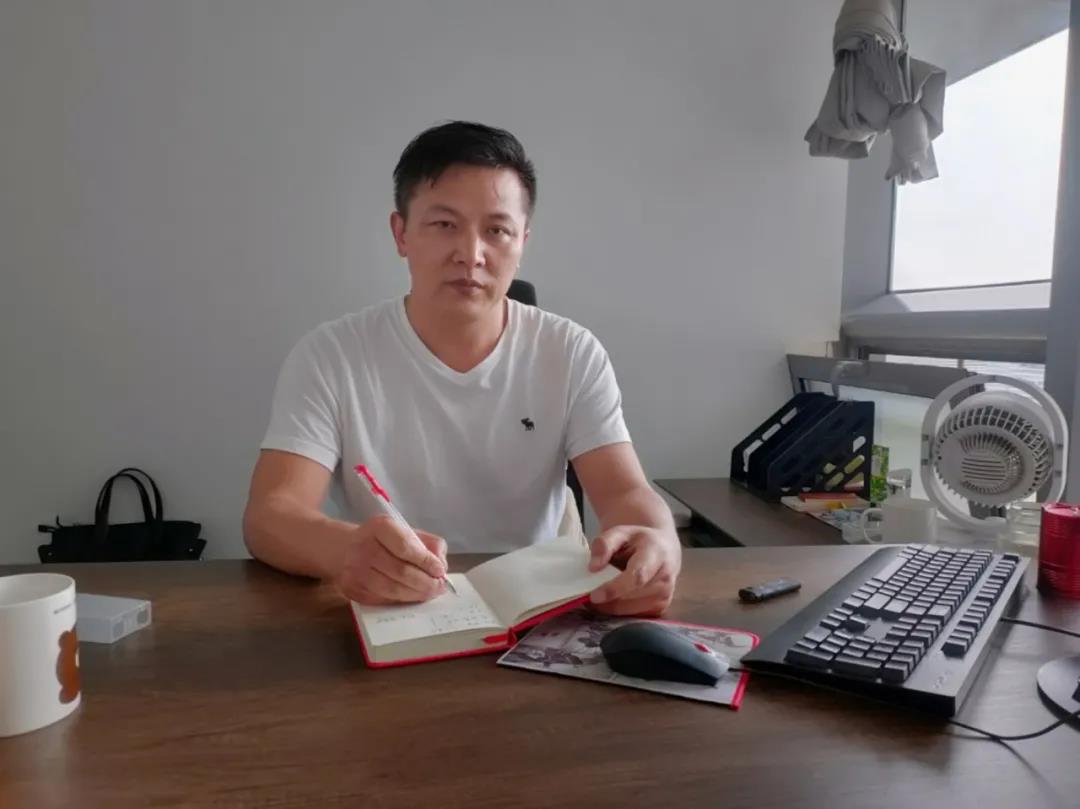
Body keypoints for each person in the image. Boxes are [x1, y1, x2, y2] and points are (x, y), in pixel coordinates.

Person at [243, 121, 681, 616]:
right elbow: (270, 515)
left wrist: (659, 541)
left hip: (536, 612)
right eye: (444, 225)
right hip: (392, 611)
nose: (471, 255)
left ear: (522, 242)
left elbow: (625, 492)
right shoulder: (331, 355)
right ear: (401, 233)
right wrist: (342, 551)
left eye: (497, 231)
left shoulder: (571, 351)